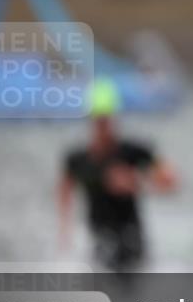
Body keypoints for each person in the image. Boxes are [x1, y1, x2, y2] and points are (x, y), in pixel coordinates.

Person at [58, 78, 178, 272]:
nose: (103, 125)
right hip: (99, 240)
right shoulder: (77, 159)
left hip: (131, 239)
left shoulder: (134, 153)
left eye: (107, 119)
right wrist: (65, 232)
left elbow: (170, 181)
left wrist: (134, 181)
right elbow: (64, 191)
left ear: (115, 118)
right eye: (98, 120)